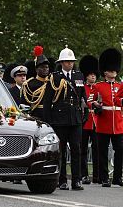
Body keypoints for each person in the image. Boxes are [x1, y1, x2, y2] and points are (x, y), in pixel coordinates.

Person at [43, 45, 86, 191]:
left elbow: (82, 98)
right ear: (61, 62)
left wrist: (83, 116)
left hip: (75, 118)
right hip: (59, 119)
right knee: (61, 151)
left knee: (76, 149)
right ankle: (61, 180)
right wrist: (48, 121)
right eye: (67, 61)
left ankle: (76, 180)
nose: (70, 64)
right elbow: (47, 101)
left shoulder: (79, 76)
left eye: (72, 61)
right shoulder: (54, 77)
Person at [91, 48, 123, 187]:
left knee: (120, 151)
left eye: (115, 70)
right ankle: (104, 178)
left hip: (118, 123)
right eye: (111, 70)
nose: (113, 72)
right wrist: (95, 104)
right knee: (102, 152)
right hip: (103, 122)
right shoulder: (98, 86)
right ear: (105, 72)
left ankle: (117, 177)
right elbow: (90, 100)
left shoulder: (119, 85)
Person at [78, 55, 99, 185]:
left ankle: (96, 176)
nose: (93, 77)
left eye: (94, 75)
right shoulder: (82, 88)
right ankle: (84, 174)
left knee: (97, 149)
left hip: (96, 121)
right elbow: (82, 103)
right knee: (83, 150)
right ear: (86, 76)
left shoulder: (98, 88)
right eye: (90, 75)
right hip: (84, 121)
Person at [21, 46, 50, 119]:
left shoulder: (52, 83)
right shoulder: (29, 84)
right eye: (42, 67)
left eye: (47, 67)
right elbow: (24, 105)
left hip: (51, 116)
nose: (45, 69)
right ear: (37, 69)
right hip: (36, 116)